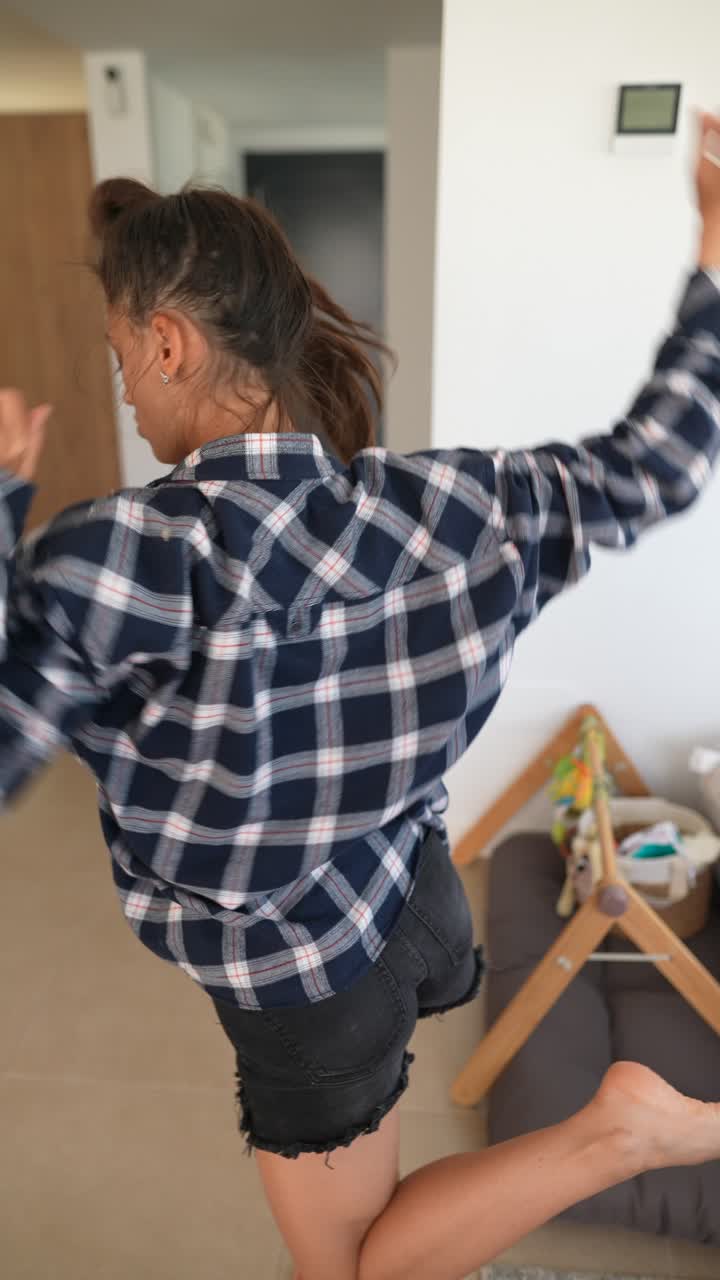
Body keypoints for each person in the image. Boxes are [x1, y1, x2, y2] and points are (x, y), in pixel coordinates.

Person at [2, 113, 720, 1280]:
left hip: (304, 990)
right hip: (414, 901)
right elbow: (664, 460)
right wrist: (713, 254)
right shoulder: (457, 505)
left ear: (171, 342)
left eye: (119, 348)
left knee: (352, 1269)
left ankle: (614, 1130)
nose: (124, 385)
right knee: (355, 1224)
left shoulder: (113, 555)